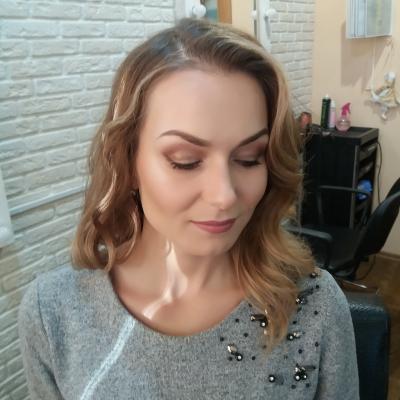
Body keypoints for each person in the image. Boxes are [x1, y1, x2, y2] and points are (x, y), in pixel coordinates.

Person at [18, 17, 359, 399]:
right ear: (128, 162)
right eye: (185, 161)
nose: (224, 195)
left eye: (249, 158)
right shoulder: (55, 312)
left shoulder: (314, 308)